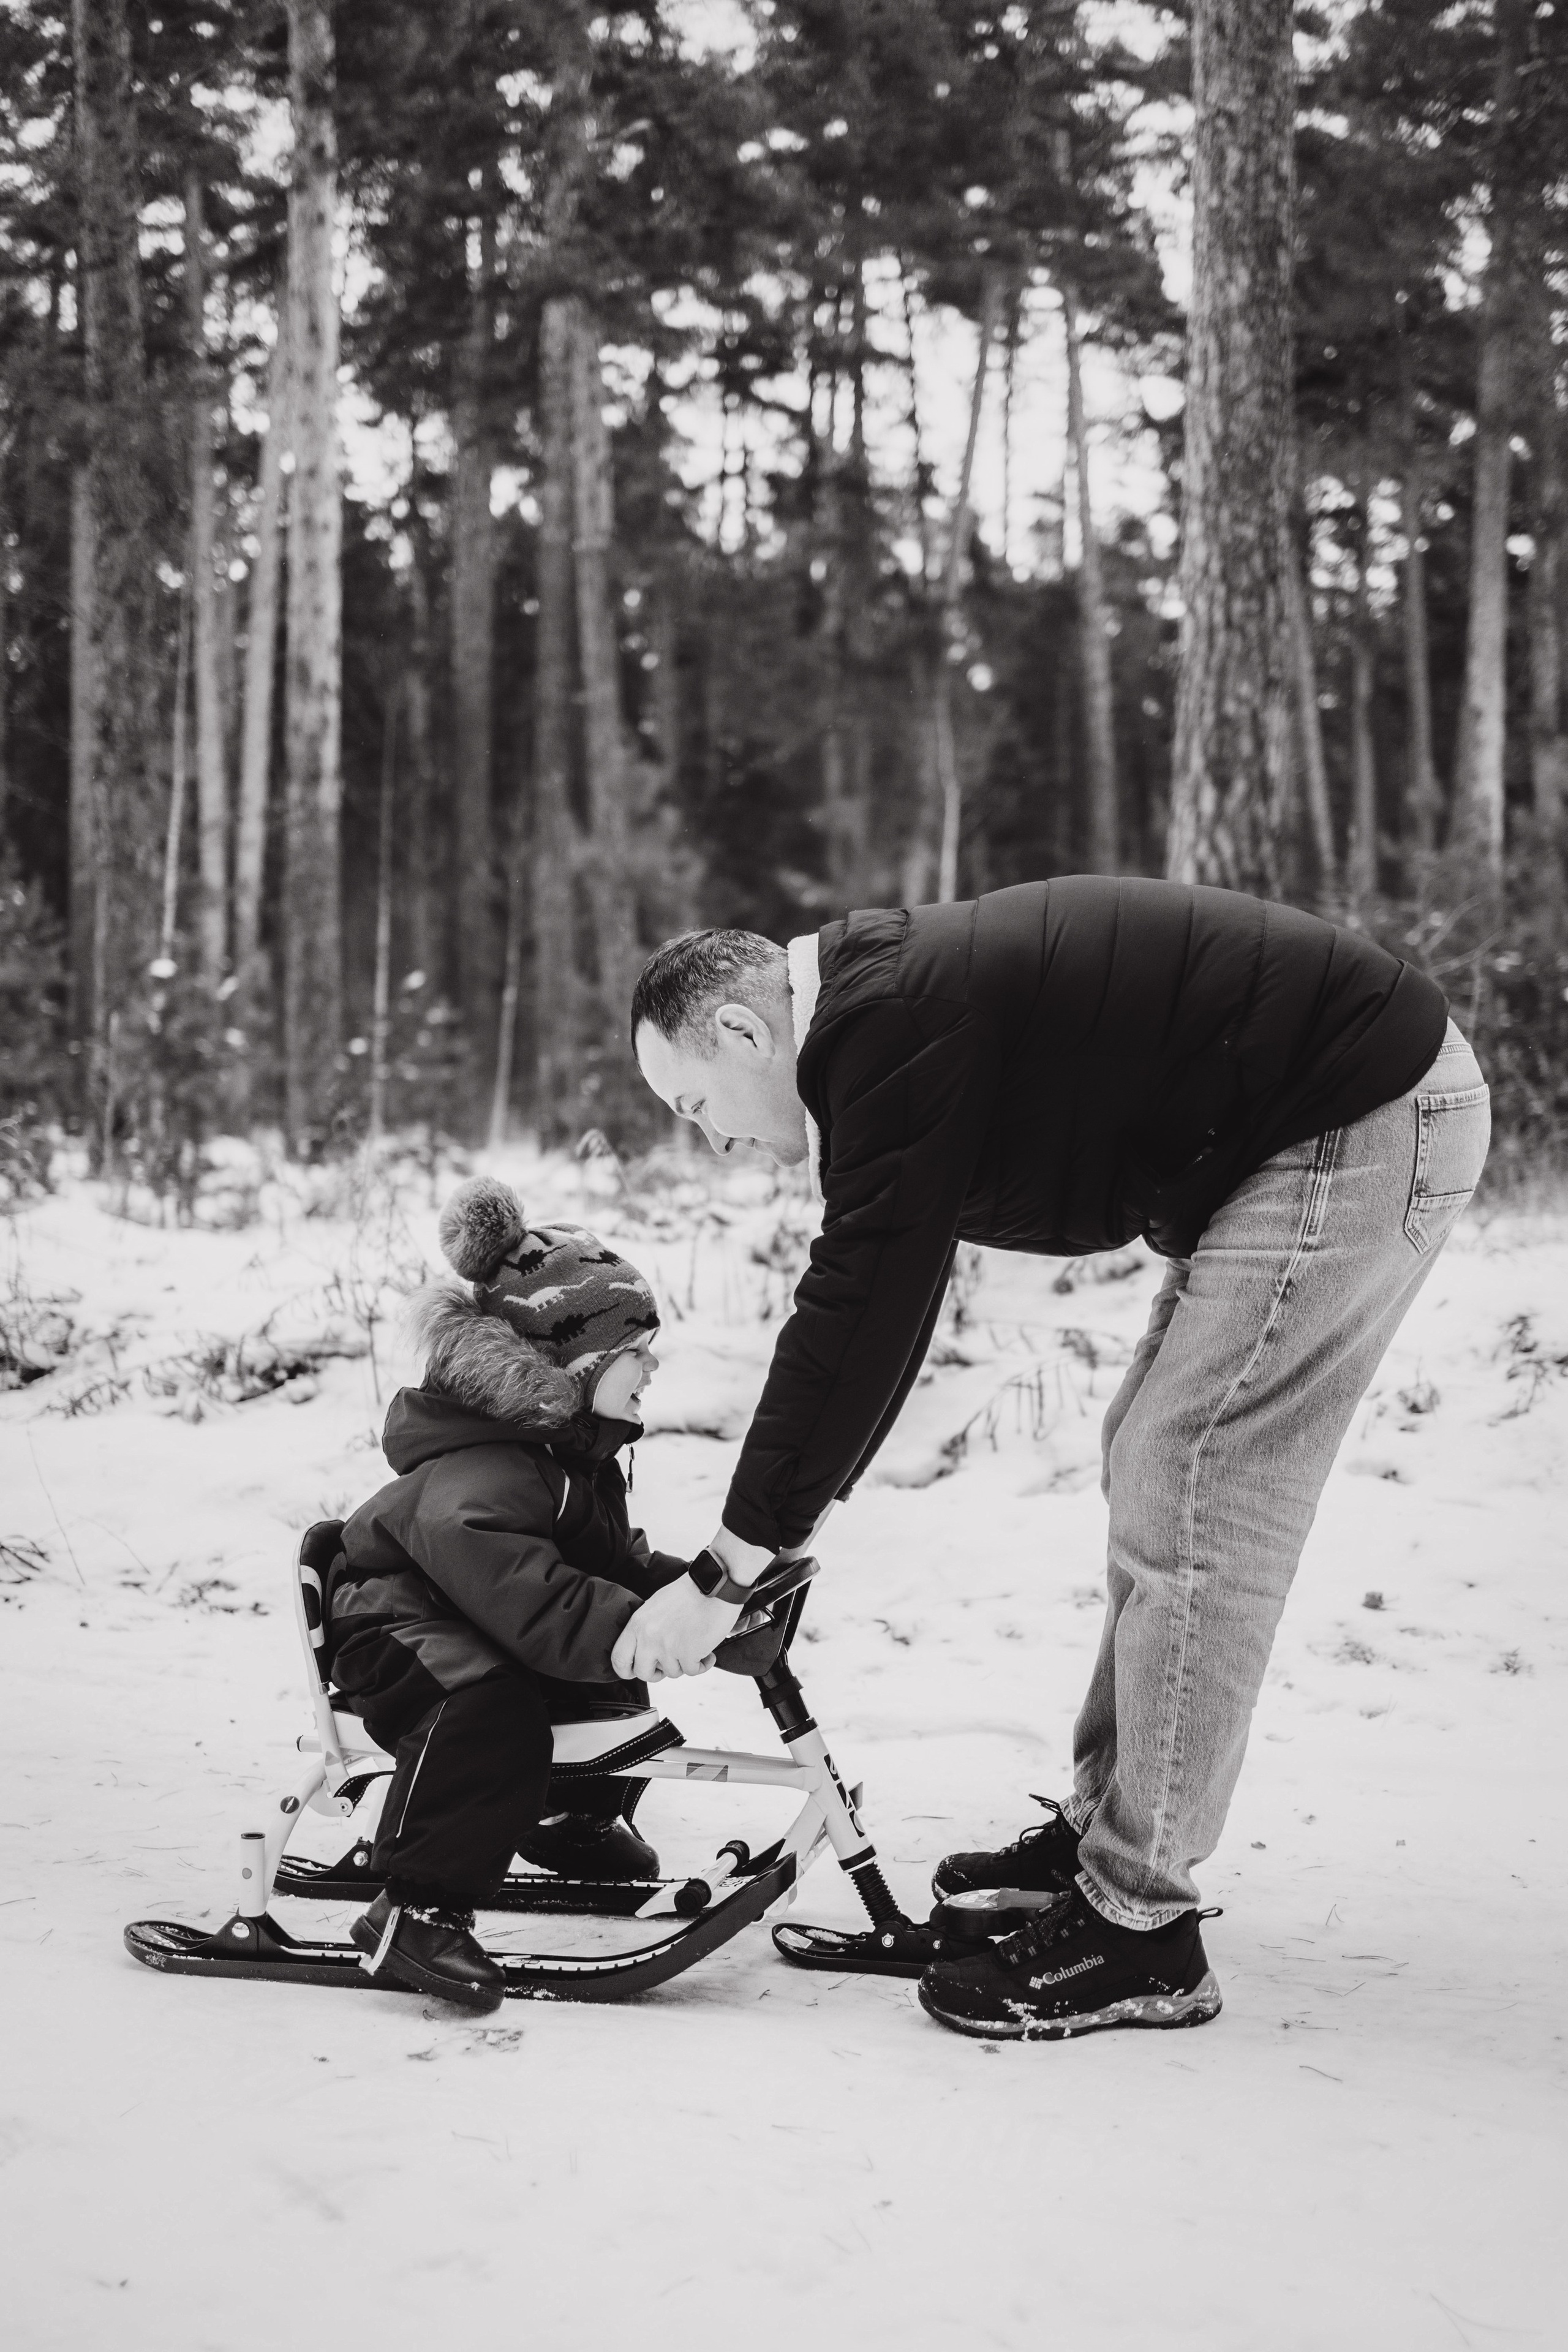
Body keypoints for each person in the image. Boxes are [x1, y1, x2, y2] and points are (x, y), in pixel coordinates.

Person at [619, 876, 1491, 2041]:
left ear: (743, 1030)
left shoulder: (882, 1022)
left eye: (695, 1105)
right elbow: (888, 1312)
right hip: (1297, 1125)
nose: (715, 1139)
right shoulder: (882, 1015)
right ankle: (1110, 1836)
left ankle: (1140, 1923)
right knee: (1152, 1451)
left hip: (1356, 1105)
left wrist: (732, 1564)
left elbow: (861, 1306)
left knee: (1195, 1475)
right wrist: (780, 1530)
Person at [328, 1177, 684, 2013]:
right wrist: (639, 1627)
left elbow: (614, 1564)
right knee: (488, 1714)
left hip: (467, 1611)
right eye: (637, 1348)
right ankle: (414, 1908)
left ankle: (571, 1823)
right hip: (394, 1624)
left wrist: (701, 1595)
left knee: (604, 1675)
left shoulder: (571, 1459)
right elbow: (535, 1601)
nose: (653, 1365)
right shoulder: (482, 1472)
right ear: (570, 1361)